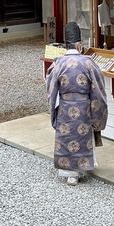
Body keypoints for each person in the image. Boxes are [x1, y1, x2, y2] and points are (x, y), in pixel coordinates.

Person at [46, 21, 108, 186]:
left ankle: (69, 173)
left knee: (67, 137)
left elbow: (51, 89)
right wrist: (97, 114)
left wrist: (56, 108)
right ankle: (82, 168)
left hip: (65, 106)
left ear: (66, 45)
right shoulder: (88, 63)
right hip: (84, 107)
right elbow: (98, 90)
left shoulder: (58, 63)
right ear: (79, 45)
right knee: (82, 136)